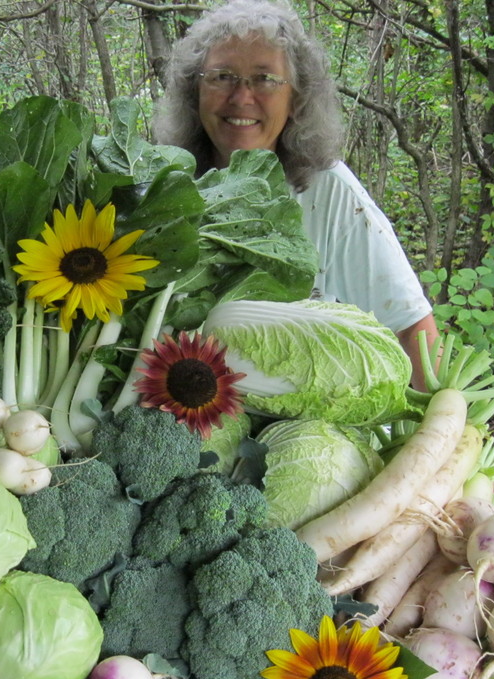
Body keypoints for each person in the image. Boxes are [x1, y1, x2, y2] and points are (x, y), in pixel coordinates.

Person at [152, 0, 439, 389]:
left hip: (309, 418)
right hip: (185, 413)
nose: (241, 97)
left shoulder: (329, 190)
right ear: (194, 91)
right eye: (222, 76)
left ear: (297, 97)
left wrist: (441, 418)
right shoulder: (164, 189)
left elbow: (410, 326)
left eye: (265, 78)